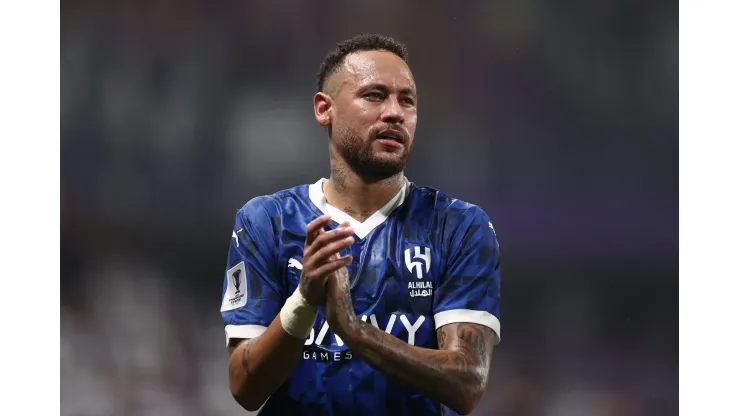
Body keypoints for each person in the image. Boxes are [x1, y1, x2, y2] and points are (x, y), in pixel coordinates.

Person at [221, 33, 501, 416]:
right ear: (325, 109)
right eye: (374, 96)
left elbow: (467, 383)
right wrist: (303, 302)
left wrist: (352, 329)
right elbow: (244, 388)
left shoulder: (459, 227)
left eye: (407, 100)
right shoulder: (265, 222)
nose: (395, 113)